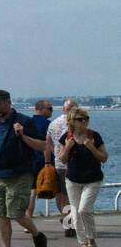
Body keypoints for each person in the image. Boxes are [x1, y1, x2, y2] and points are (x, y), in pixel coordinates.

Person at [0, 89, 48, 247]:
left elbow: (43, 145)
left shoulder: (25, 121)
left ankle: (38, 236)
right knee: (0, 213)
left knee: (16, 212)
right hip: (0, 174)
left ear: (8, 102)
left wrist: (23, 135)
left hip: (21, 173)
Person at [58, 107, 107, 247]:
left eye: (85, 118)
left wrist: (91, 147)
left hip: (92, 179)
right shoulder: (67, 137)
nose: (84, 121)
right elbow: (62, 159)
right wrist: (67, 148)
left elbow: (104, 157)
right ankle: (83, 244)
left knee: (83, 210)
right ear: (72, 121)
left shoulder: (94, 136)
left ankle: (91, 242)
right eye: (80, 119)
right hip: (73, 180)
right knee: (75, 213)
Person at [43, 98, 78, 235]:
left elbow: (48, 143)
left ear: (63, 109)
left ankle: (67, 219)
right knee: (73, 194)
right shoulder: (75, 123)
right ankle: (70, 222)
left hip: (59, 163)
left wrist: (55, 155)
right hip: (73, 164)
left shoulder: (53, 123)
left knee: (62, 195)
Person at [23, 100, 54, 221]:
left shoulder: (27, 124)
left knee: (32, 191)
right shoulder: (48, 125)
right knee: (60, 192)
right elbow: (48, 144)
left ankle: (28, 217)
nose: (51, 110)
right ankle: (69, 219)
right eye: (49, 108)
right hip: (45, 161)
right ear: (40, 109)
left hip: (30, 161)